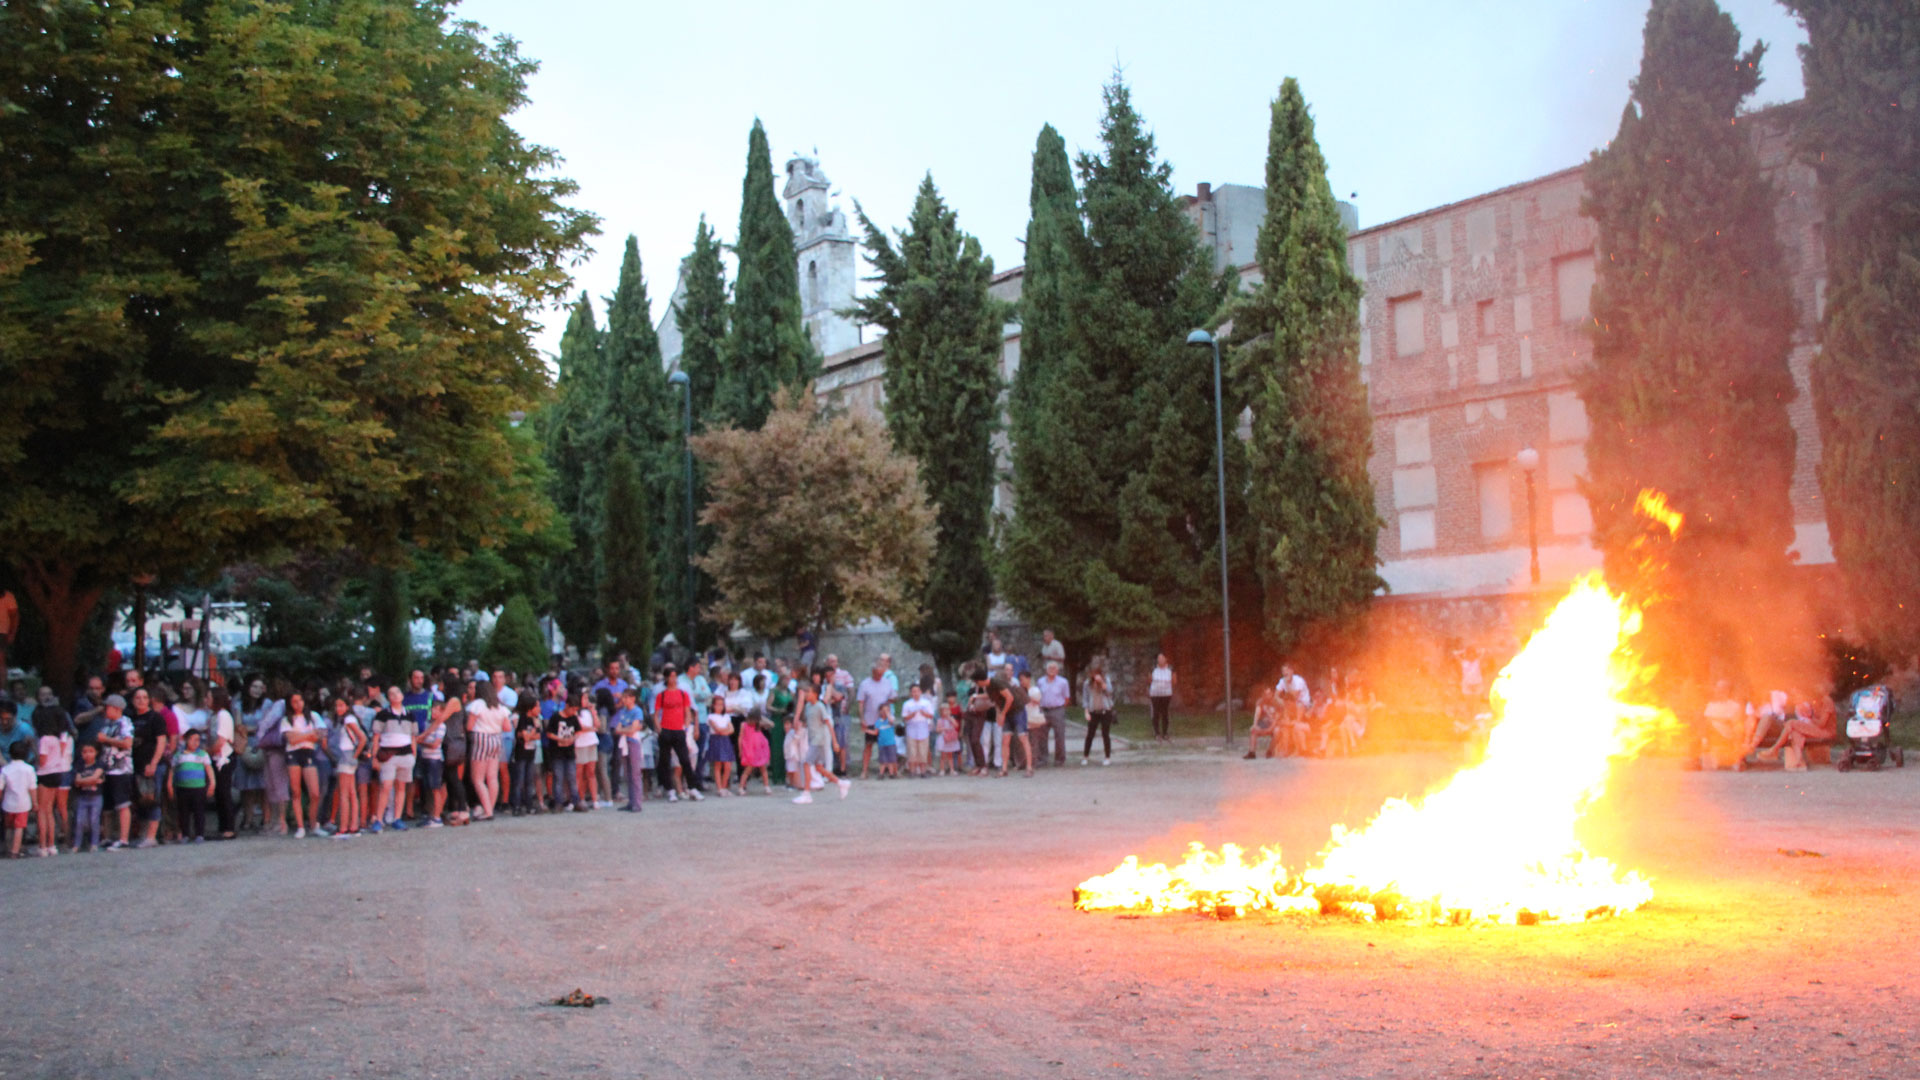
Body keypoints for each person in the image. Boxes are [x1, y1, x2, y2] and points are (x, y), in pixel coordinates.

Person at [367, 686, 417, 833]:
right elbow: (376, 737)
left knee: (401, 787)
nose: (395, 695)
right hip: (388, 755)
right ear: (388, 698)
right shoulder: (383, 715)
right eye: (391, 694)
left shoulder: (410, 715)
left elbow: (413, 737)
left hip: (406, 754)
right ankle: (379, 819)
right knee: (386, 787)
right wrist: (374, 757)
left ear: (402, 695)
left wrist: (413, 756)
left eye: (397, 692)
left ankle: (397, 818)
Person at [652, 665, 703, 803]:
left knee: (685, 760)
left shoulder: (682, 694)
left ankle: (692, 787)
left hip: (679, 729)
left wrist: (686, 727)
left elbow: (687, 711)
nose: (673, 679)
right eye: (670, 676)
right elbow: (656, 714)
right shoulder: (661, 695)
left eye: (675, 676)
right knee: (665, 761)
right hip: (666, 729)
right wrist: (659, 729)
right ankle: (670, 790)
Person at [793, 683, 850, 804]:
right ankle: (841, 783)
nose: (806, 695)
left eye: (808, 692)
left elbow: (828, 723)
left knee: (806, 763)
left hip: (818, 741)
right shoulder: (808, 706)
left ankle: (806, 793)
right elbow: (809, 722)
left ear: (815, 694)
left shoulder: (820, 707)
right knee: (819, 768)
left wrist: (834, 742)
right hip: (812, 739)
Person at [128, 688, 170, 848]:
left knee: (153, 799)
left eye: (144, 697)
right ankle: (144, 833)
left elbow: (161, 742)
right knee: (141, 800)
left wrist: (153, 763)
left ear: (149, 700)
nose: (141, 700)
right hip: (136, 765)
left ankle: (151, 836)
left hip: (153, 765)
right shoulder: (130, 718)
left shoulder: (155, 718)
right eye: (137, 697)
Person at [463, 677, 508, 821]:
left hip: (481, 739)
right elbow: (507, 727)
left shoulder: (477, 705)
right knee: (492, 777)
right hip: (496, 739)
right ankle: (490, 808)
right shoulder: (499, 706)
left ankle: (487, 810)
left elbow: (469, 726)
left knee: (477, 778)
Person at [33, 705, 74, 855]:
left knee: (42, 811)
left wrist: (35, 753)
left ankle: (42, 845)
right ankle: (52, 845)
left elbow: (42, 761)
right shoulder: (58, 738)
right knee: (49, 810)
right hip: (57, 773)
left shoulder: (44, 739)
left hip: (45, 773)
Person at [282, 692, 323, 838]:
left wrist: (299, 736)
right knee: (296, 791)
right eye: (294, 701)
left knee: (315, 793)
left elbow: (319, 735)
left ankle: (313, 824)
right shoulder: (286, 720)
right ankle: (300, 826)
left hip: (308, 752)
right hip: (293, 754)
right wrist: (308, 735)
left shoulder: (313, 716)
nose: (298, 704)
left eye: (300, 700)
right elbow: (290, 740)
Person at [327, 694, 365, 838]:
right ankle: (353, 826)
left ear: (347, 707)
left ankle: (343, 828)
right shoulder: (350, 719)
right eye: (337, 706)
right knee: (351, 793)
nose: (338, 709)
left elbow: (362, 738)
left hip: (346, 755)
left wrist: (354, 756)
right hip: (350, 756)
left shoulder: (348, 720)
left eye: (341, 705)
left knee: (344, 793)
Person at [168, 728, 214, 843]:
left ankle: (199, 834)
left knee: (199, 811)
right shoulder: (179, 755)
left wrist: (212, 783)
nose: (195, 743)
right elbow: (172, 770)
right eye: (192, 740)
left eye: (197, 740)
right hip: (182, 787)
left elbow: (209, 770)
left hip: (198, 787)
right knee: (183, 812)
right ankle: (185, 834)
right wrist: (169, 784)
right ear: (185, 740)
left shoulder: (203, 755)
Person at [206, 686, 238, 839]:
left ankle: (229, 827)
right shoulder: (213, 716)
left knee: (224, 792)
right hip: (216, 757)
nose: (206, 700)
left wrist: (207, 752)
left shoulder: (223, 715)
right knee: (219, 793)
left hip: (224, 757)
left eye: (209, 697)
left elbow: (221, 740)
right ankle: (222, 826)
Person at [611, 689, 648, 811]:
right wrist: (627, 729)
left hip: (633, 742)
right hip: (625, 742)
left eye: (626, 698)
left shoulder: (637, 711)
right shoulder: (623, 711)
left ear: (633, 698)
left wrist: (625, 729)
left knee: (635, 773)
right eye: (623, 698)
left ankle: (637, 803)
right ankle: (631, 801)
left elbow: (633, 729)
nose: (624, 700)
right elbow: (618, 729)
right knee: (628, 773)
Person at [856, 663, 892, 780]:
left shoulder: (887, 682)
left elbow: (892, 698)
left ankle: (889, 770)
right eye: (877, 674)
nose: (879, 676)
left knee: (887, 745)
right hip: (870, 719)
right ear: (872, 672)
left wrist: (888, 713)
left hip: (884, 721)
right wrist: (862, 718)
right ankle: (864, 770)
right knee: (868, 745)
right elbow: (861, 702)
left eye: (881, 674)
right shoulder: (865, 684)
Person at [510, 698, 543, 816]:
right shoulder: (524, 719)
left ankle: (529, 805)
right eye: (537, 706)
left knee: (529, 780)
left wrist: (532, 734)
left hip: (530, 753)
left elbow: (538, 737)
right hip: (521, 754)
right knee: (519, 780)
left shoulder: (536, 719)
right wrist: (535, 729)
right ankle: (517, 806)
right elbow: (526, 737)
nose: (539, 709)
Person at [417, 698, 447, 827]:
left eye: (436, 710)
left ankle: (437, 816)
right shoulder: (427, 724)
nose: (433, 712)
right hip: (425, 757)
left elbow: (435, 744)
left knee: (435, 788)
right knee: (428, 788)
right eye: (432, 709)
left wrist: (420, 741)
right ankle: (431, 814)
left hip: (434, 759)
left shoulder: (441, 726)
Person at [1035, 660, 1071, 767]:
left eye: (1054, 668)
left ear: (1058, 670)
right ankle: (1042, 759)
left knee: (1059, 735)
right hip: (1044, 710)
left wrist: (1060, 708)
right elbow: (1038, 695)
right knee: (1042, 736)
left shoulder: (1063, 682)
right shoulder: (1040, 681)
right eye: (1049, 668)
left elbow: (1067, 698)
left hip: (1057, 710)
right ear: (1046, 670)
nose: (1052, 670)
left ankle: (1060, 759)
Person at [1081, 657, 1116, 766]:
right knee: (1090, 734)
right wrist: (1086, 712)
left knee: (1106, 734)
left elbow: (1110, 692)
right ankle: (1085, 756)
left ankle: (1107, 757)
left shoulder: (1106, 680)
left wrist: (1102, 683)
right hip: (1093, 711)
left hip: (1105, 711)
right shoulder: (1087, 684)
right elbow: (1085, 699)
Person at [3, 741, 35, 859]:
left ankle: (8, 847)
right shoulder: (29, 769)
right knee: (19, 828)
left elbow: (1, 787)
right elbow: (32, 788)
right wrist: (35, 802)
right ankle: (15, 851)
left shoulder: (6, 769)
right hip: (23, 803)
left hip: (8, 803)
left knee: (9, 827)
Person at [738, 688, 773, 795]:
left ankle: (766, 786)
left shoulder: (759, 725)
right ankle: (741, 787)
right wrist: (740, 750)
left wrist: (761, 720)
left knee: (763, 769)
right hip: (750, 750)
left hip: (759, 749)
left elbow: (771, 724)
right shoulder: (744, 725)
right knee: (748, 770)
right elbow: (740, 738)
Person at [72, 743, 105, 852]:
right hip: (83, 797)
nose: (87, 754)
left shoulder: (99, 764)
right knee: (80, 821)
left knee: (94, 820)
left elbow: (96, 777)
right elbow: (77, 781)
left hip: (96, 796)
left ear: (96, 752)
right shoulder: (79, 765)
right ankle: (77, 844)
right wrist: (90, 781)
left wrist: (83, 781)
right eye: (85, 752)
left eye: (91, 751)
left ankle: (94, 843)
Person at [1000, 670, 1032, 778]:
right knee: (1005, 739)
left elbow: (1027, 700)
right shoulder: (998, 688)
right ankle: (1004, 769)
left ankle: (1029, 767)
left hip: (1018, 712)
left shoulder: (1016, 687)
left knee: (1023, 738)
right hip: (1008, 713)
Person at [706, 688, 738, 796]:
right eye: (717, 704)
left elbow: (732, 729)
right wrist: (725, 731)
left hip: (725, 740)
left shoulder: (726, 716)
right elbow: (717, 729)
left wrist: (724, 731)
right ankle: (719, 788)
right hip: (716, 740)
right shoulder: (710, 717)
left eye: (721, 704)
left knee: (728, 765)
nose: (720, 707)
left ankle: (724, 787)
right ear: (713, 706)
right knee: (718, 765)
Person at [571, 688, 599, 810]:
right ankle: (580, 799)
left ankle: (594, 800)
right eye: (585, 698)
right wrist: (591, 728)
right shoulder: (575, 712)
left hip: (591, 742)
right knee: (579, 773)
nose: (587, 700)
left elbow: (597, 725)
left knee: (591, 773)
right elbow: (580, 727)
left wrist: (593, 712)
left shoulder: (588, 712)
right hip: (579, 744)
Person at [900, 684, 934, 778]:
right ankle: (912, 771)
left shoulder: (926, 703)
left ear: (920, 692)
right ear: (911, 693)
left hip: (923, 726)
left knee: (923, 750)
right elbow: (905, 717)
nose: (915, 693)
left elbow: (931, 715)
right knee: (912, 750)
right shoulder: (907, 704)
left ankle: (923, 771)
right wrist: (912, 715)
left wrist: (924, 713)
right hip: (912, 727)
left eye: (917, 691)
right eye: (913, 691)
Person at [1148, 654, 1175, 743]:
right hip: (1155, 694)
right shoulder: (1153, 669)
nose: (1160, 660)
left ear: (1166, 659)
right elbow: (1149, 680)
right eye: (1159, 659)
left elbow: (1174, 680)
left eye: (1162, 658)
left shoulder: (1170, 669)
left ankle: (1165, 733)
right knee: (1156, 713)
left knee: (1165, 713)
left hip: (1166, 694)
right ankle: (1157, 733)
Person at [936, 692, 963, 775]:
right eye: (944, 711)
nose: (946, 712)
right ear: (941, 712)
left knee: (950, 755)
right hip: (944, 738)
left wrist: (951, 719)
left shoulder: (951, 719)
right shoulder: (940, 720)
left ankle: (952, 769)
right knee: (943, 755)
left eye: (948, 710)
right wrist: (944, 729)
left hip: (951, 739)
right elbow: (938, 729)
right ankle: (942, 769)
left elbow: (956, 725)